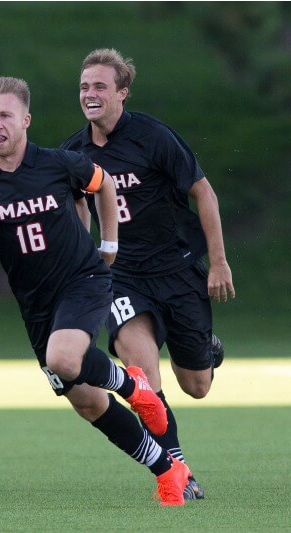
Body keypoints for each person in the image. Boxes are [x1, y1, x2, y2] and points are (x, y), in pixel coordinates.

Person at [0, 76, 192, 506]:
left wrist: (109, 246)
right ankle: (167, 469)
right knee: (86, 402)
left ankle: (132, 385)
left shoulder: (59, 163)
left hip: (83, 280)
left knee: (63, 359)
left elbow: (104, 185)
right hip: (36, 304)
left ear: (25, 120)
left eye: (5, 114)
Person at [61, 48, 236, 500]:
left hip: (177, 272)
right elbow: (66, 210)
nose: (90, 94)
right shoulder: (74, 153)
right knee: (143, 377)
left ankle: (206, 352)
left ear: (122, 92)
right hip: (121, 278)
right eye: (84, 86)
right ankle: (177, 470)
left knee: (196, 385)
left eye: (100, 86)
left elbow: (204, 193)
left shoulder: (153, 137)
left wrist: (217, 261)